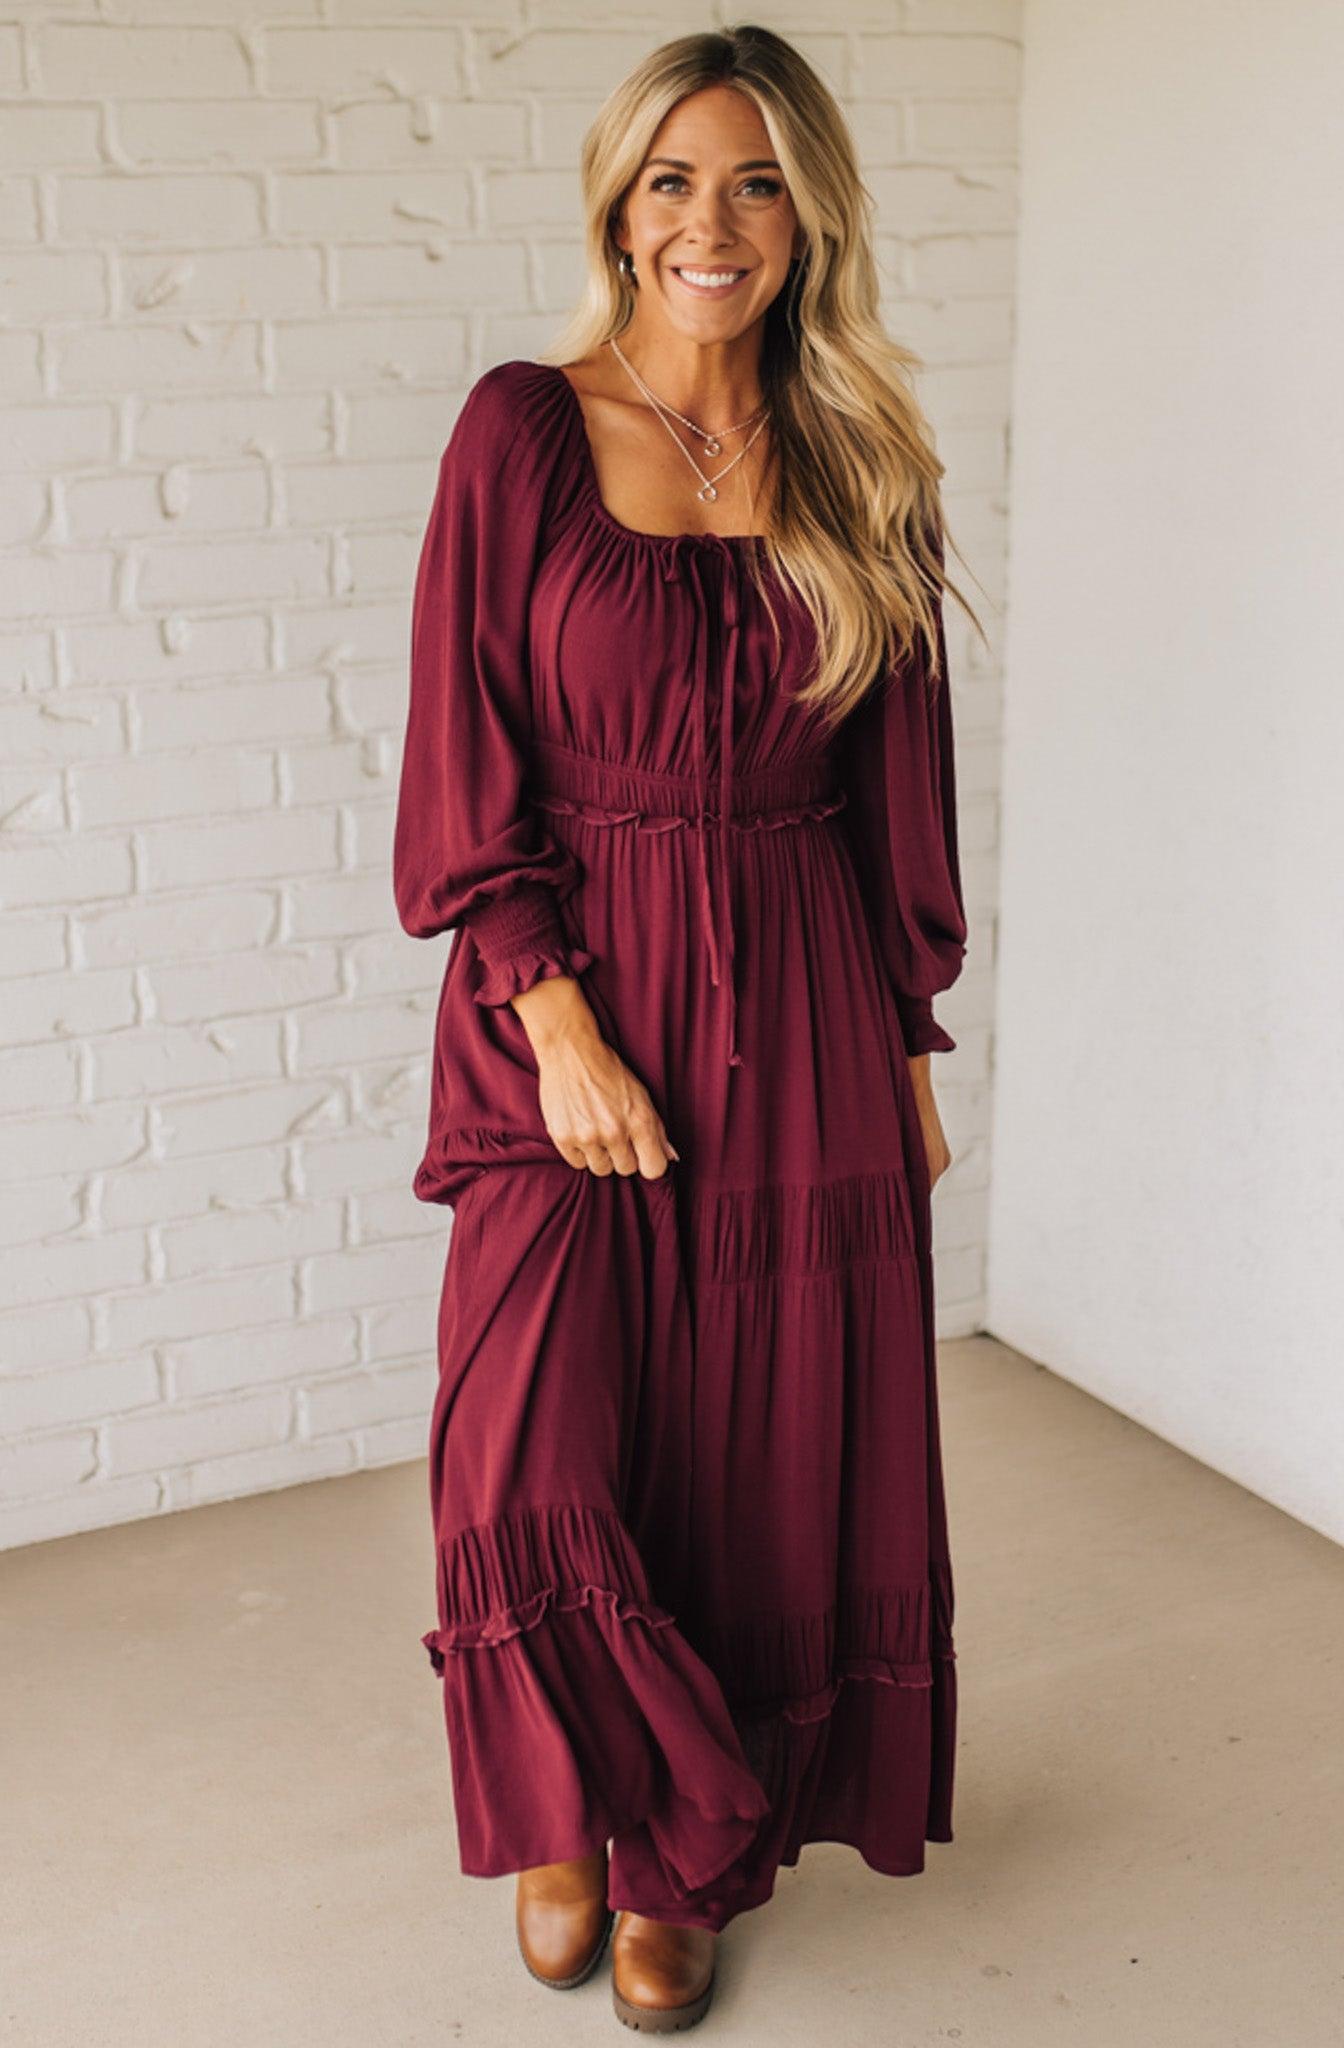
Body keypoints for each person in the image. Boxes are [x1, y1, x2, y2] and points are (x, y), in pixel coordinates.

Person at [393, 23, 979, 2032]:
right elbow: (462, 760)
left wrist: (908, 1045)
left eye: (750, 183)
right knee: (523, 1455)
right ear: (614, 203)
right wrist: (547, 1014)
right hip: (565, 989)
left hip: (804, 994)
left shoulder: (858, 460)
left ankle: (684, 1854)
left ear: (805, 212)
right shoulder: (521, 429)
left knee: (746, 1455)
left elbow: (902, 780)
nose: (707, 223)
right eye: (670, 180)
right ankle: (569, 1791)